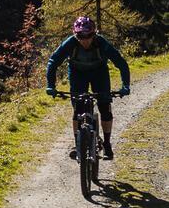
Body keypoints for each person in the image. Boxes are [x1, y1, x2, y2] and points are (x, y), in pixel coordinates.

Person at [46, 16, 130, 159]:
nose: (85, 40)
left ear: (94, 34)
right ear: (75, 34)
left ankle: (107, 144)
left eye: (89, 36)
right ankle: (78, 144)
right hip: (78, 74)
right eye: (80, 36)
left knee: (105, 107)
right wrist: (50, 85)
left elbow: (120, 62)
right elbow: (53, 62)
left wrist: (125, 85)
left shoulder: (101, 42)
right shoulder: (70, 43)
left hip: (99, 73)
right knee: (78, 108)